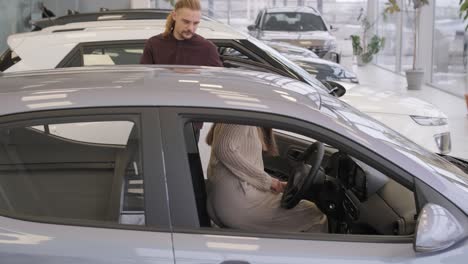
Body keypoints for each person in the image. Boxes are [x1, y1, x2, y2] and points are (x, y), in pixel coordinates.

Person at [205, 123, 328, 233]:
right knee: (315, 215)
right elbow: (224, 149)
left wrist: (277, 183)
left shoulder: (245, 114)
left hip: (231, 199)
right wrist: (269, 182)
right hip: (238, 204)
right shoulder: (245, 112)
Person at [139, 0, 222, 67]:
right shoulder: (154, 44)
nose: (190, 28)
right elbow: (144, 78)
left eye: (195, 23)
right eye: (186, 22)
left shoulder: (208, 49)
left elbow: (218, 80)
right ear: (174, 16)